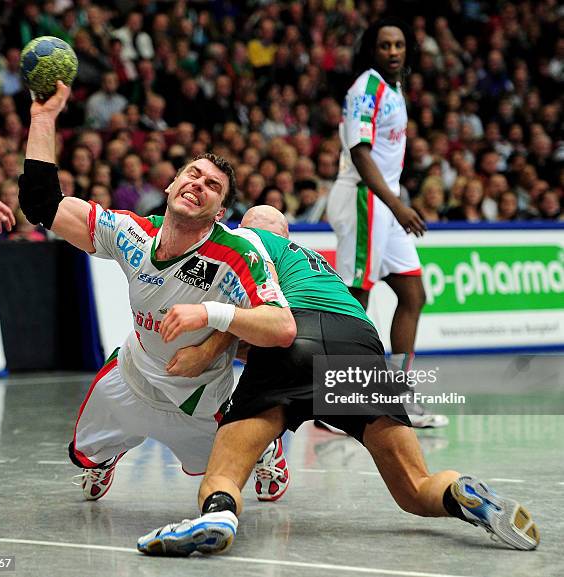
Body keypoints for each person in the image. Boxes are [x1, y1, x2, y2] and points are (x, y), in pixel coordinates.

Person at [137, 206, 539, 556]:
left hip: (292, 342)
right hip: (358, 341)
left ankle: (219, 516)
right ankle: (458, 492)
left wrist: (204, 349)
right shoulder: (314, 260)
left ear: (248, 228)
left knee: (224, 474)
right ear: (287, 235)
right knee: (416, 489)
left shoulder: (243, 247)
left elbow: (252, 317)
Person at [18, 82, 296, 507]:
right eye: (192, 174)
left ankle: (267, 449)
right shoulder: (131, 232)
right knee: (83, 455)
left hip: (199, 400)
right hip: (130, 378)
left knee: (227, 469)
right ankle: (107, 456)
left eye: (213, 185)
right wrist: (42, 118)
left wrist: (213, 323)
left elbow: (281, 327)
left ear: (220, 213)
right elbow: (41, 203)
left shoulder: (237, 254)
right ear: (171, 185)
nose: (198, 184)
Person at [326, 19, 446, 428]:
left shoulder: (394, 89)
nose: (393, 51)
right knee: (354, 301)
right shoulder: (367, 88)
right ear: (372, 50)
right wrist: (397, 205)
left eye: (399, 45)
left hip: (385, 203)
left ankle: (401, 396)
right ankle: (332, 402)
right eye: (385, 45)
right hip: (365, 198)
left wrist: (394, 204)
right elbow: (360, 153)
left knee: (413, 295)